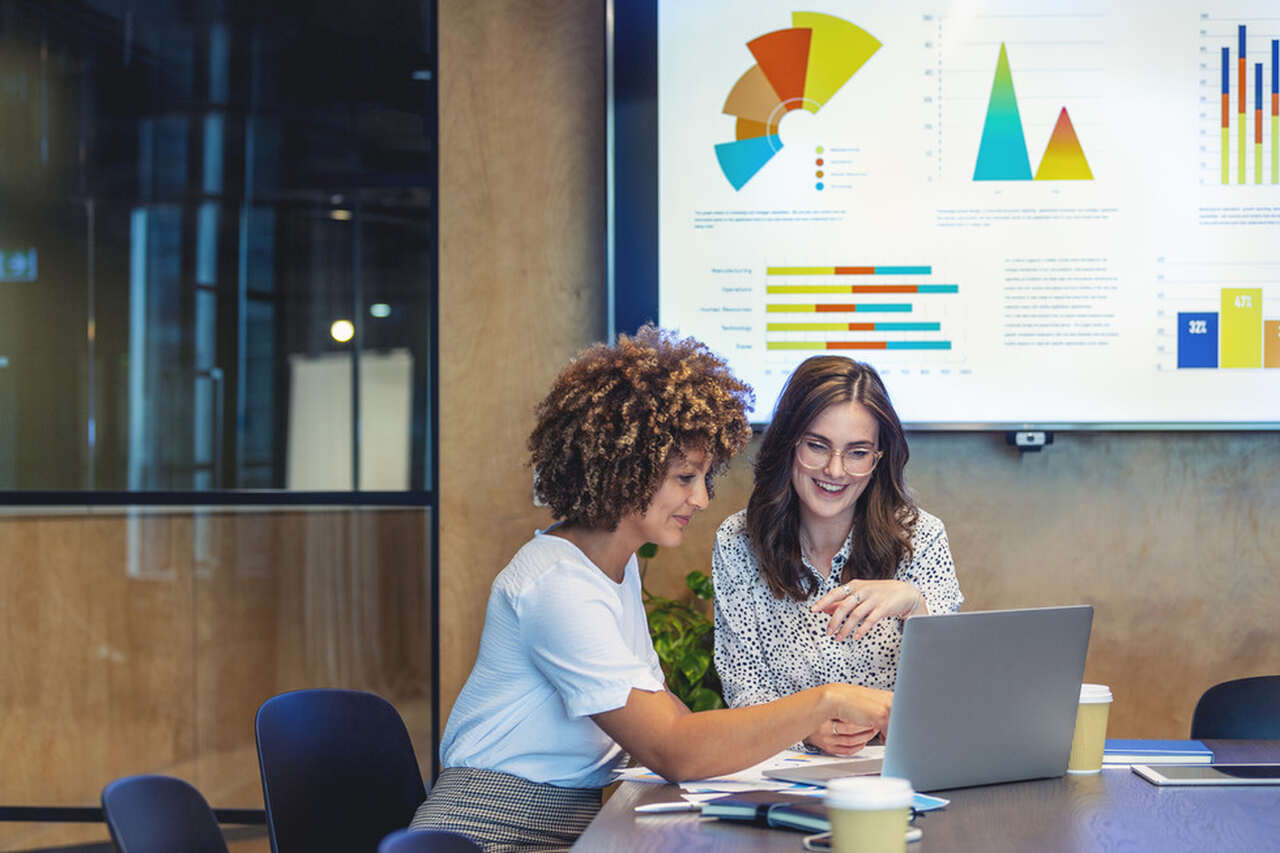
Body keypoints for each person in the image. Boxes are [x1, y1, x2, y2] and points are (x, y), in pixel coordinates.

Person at [410, 329, 893, 852]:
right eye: (684, 478)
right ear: (625, 471)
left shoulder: (612, 568)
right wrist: (828, 701)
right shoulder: (556, 586)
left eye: (704, 478)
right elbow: (672, 749)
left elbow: (671, 720)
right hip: (488, 830)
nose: (701, 499)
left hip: (570, 822)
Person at [713, 355, 962, 757]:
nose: (835, 470)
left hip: (896, 770)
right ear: (788, 443)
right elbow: (744, 685)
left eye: (858, 452)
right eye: (817, 446)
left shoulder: (922, 537)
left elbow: (951, 688)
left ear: (879, 459)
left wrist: (914, 604)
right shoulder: (738, 541)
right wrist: (805, 730)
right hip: (783, 771)